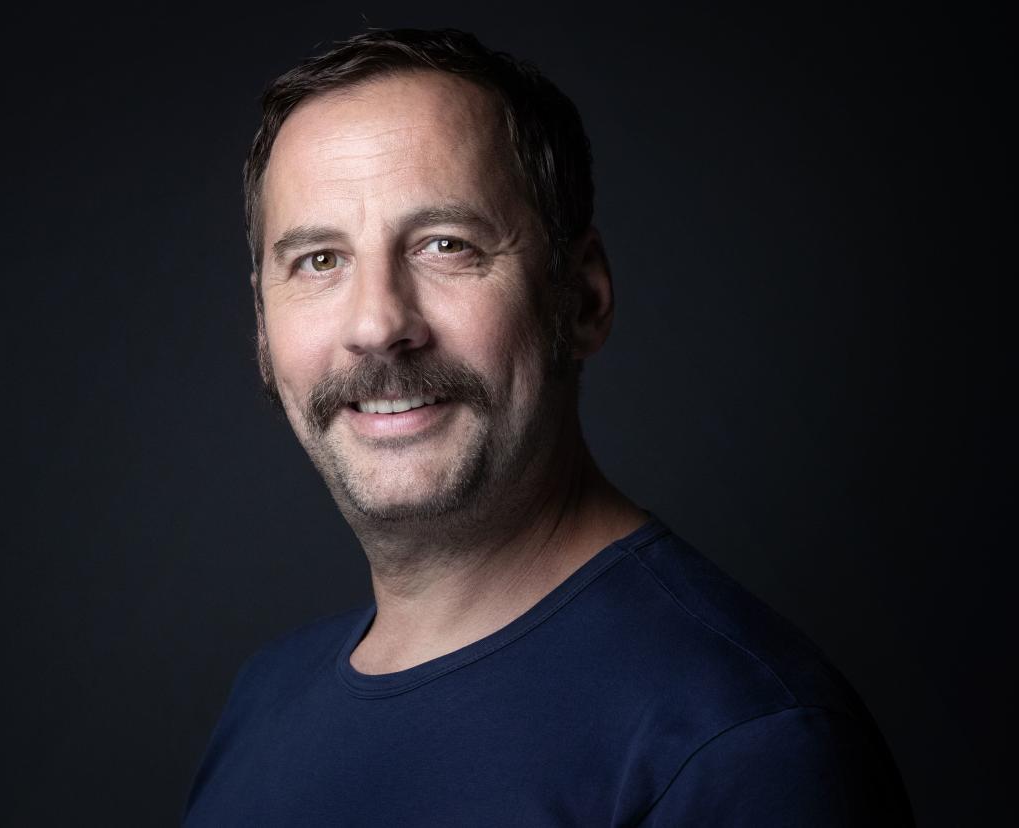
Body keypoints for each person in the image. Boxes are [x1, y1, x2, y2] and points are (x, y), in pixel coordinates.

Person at [185, 27, 913, 826]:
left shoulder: (741, 745)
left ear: (582, 298)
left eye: (444, 245)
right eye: (320, 260)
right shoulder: (264, 701)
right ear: (262, 324)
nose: (377, 323)